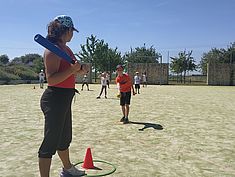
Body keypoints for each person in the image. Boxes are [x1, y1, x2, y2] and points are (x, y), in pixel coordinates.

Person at [38, 15, 89, 177]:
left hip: (65, 99)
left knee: (64, 138)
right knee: (50, 142)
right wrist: (73, 70)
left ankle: (67, 169)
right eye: (72, 31)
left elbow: (71, 70)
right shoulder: (52, 50)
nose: (72, 34)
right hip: (54, 99)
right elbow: (52, 80)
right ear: (66, 30)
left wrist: (81, 69)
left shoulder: (65, 49)